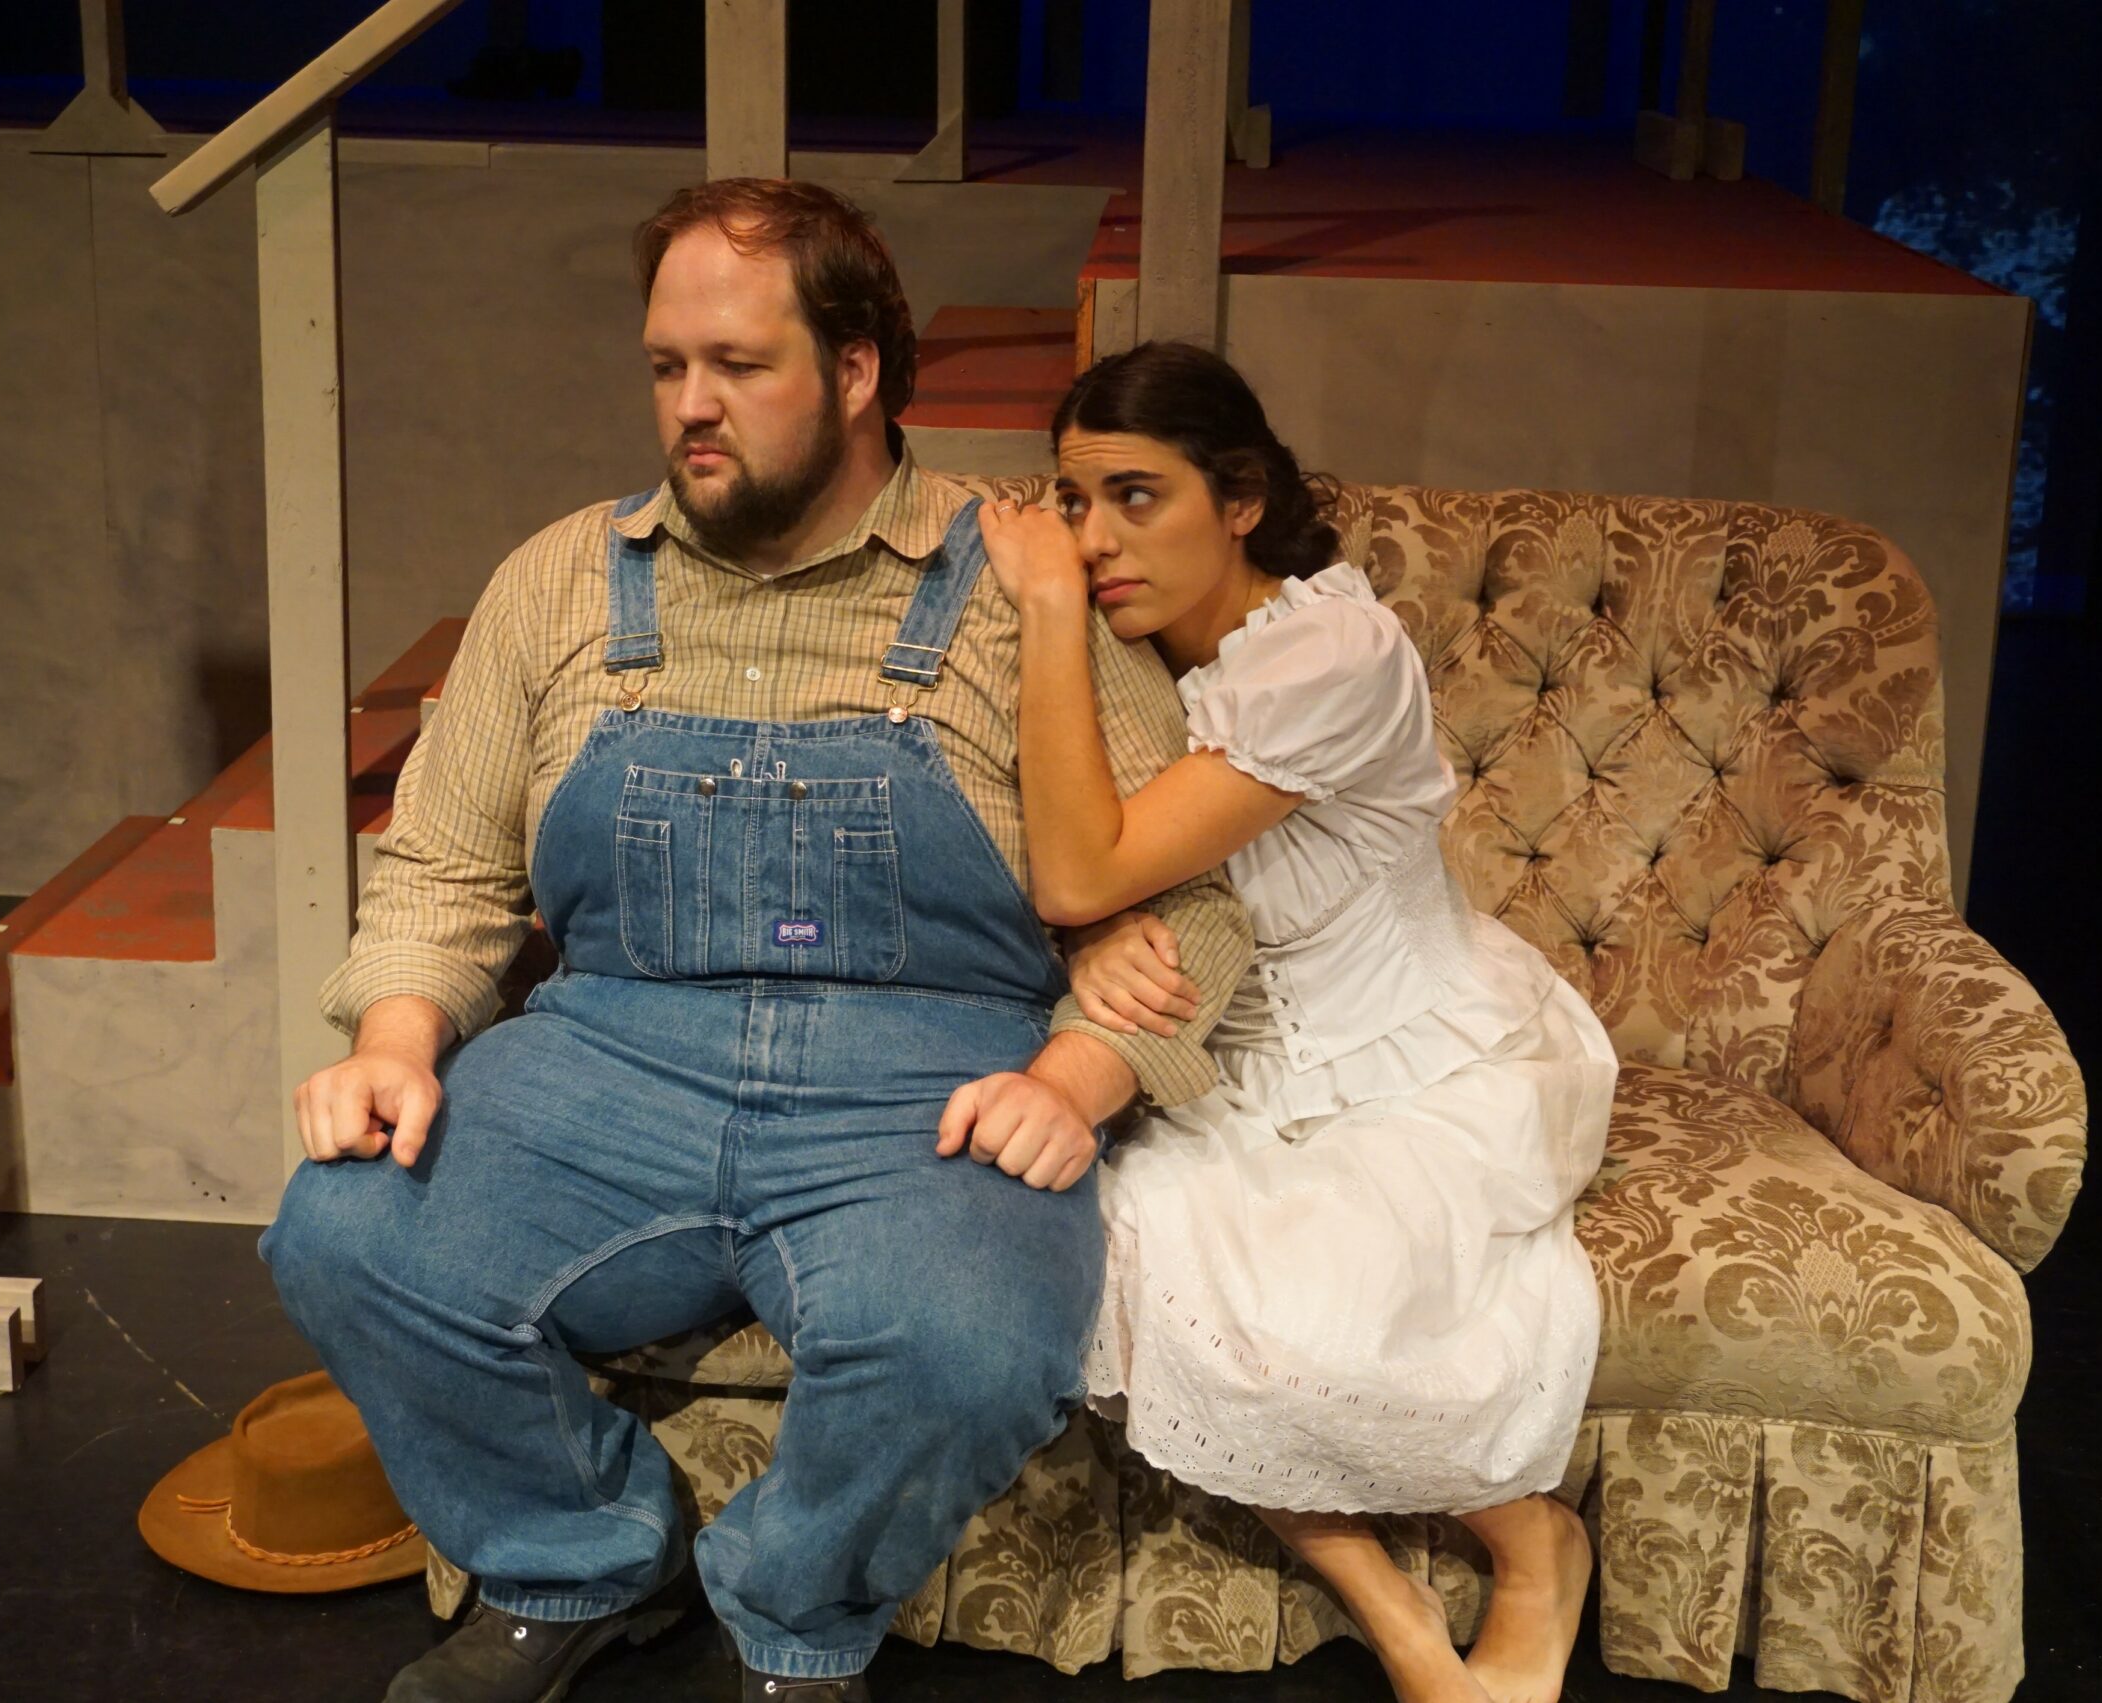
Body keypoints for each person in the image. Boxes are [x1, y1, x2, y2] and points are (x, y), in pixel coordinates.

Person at [259, 184, 1251, 1703]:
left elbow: (1192, 900)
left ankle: (796, 1616)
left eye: (737, 365)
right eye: (667, 367)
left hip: (922, 1080)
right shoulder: (560, 579)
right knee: (344, 1235)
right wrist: (395, 1037)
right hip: (612, 1055)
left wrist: (1079, 1073)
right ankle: (574, 1558)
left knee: (970, 1340)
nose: (690, 408)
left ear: (855, 370)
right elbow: (443, 866)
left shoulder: (1022, 581)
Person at [977, 341, 1615, 1703]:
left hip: (1401, 1060)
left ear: (1242, 499)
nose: (1094, 542)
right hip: (1220, 1061)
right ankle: (1400, 1622)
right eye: (1073, 505)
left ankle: (1533, 1542)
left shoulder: (1330, 652)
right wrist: (1090, 937)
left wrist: (1047, 605)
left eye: (1137, 497)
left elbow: (1084, 862)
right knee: (1110, 1265)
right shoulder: (1135, 649)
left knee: (1291, 1322)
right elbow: (1076, 870)